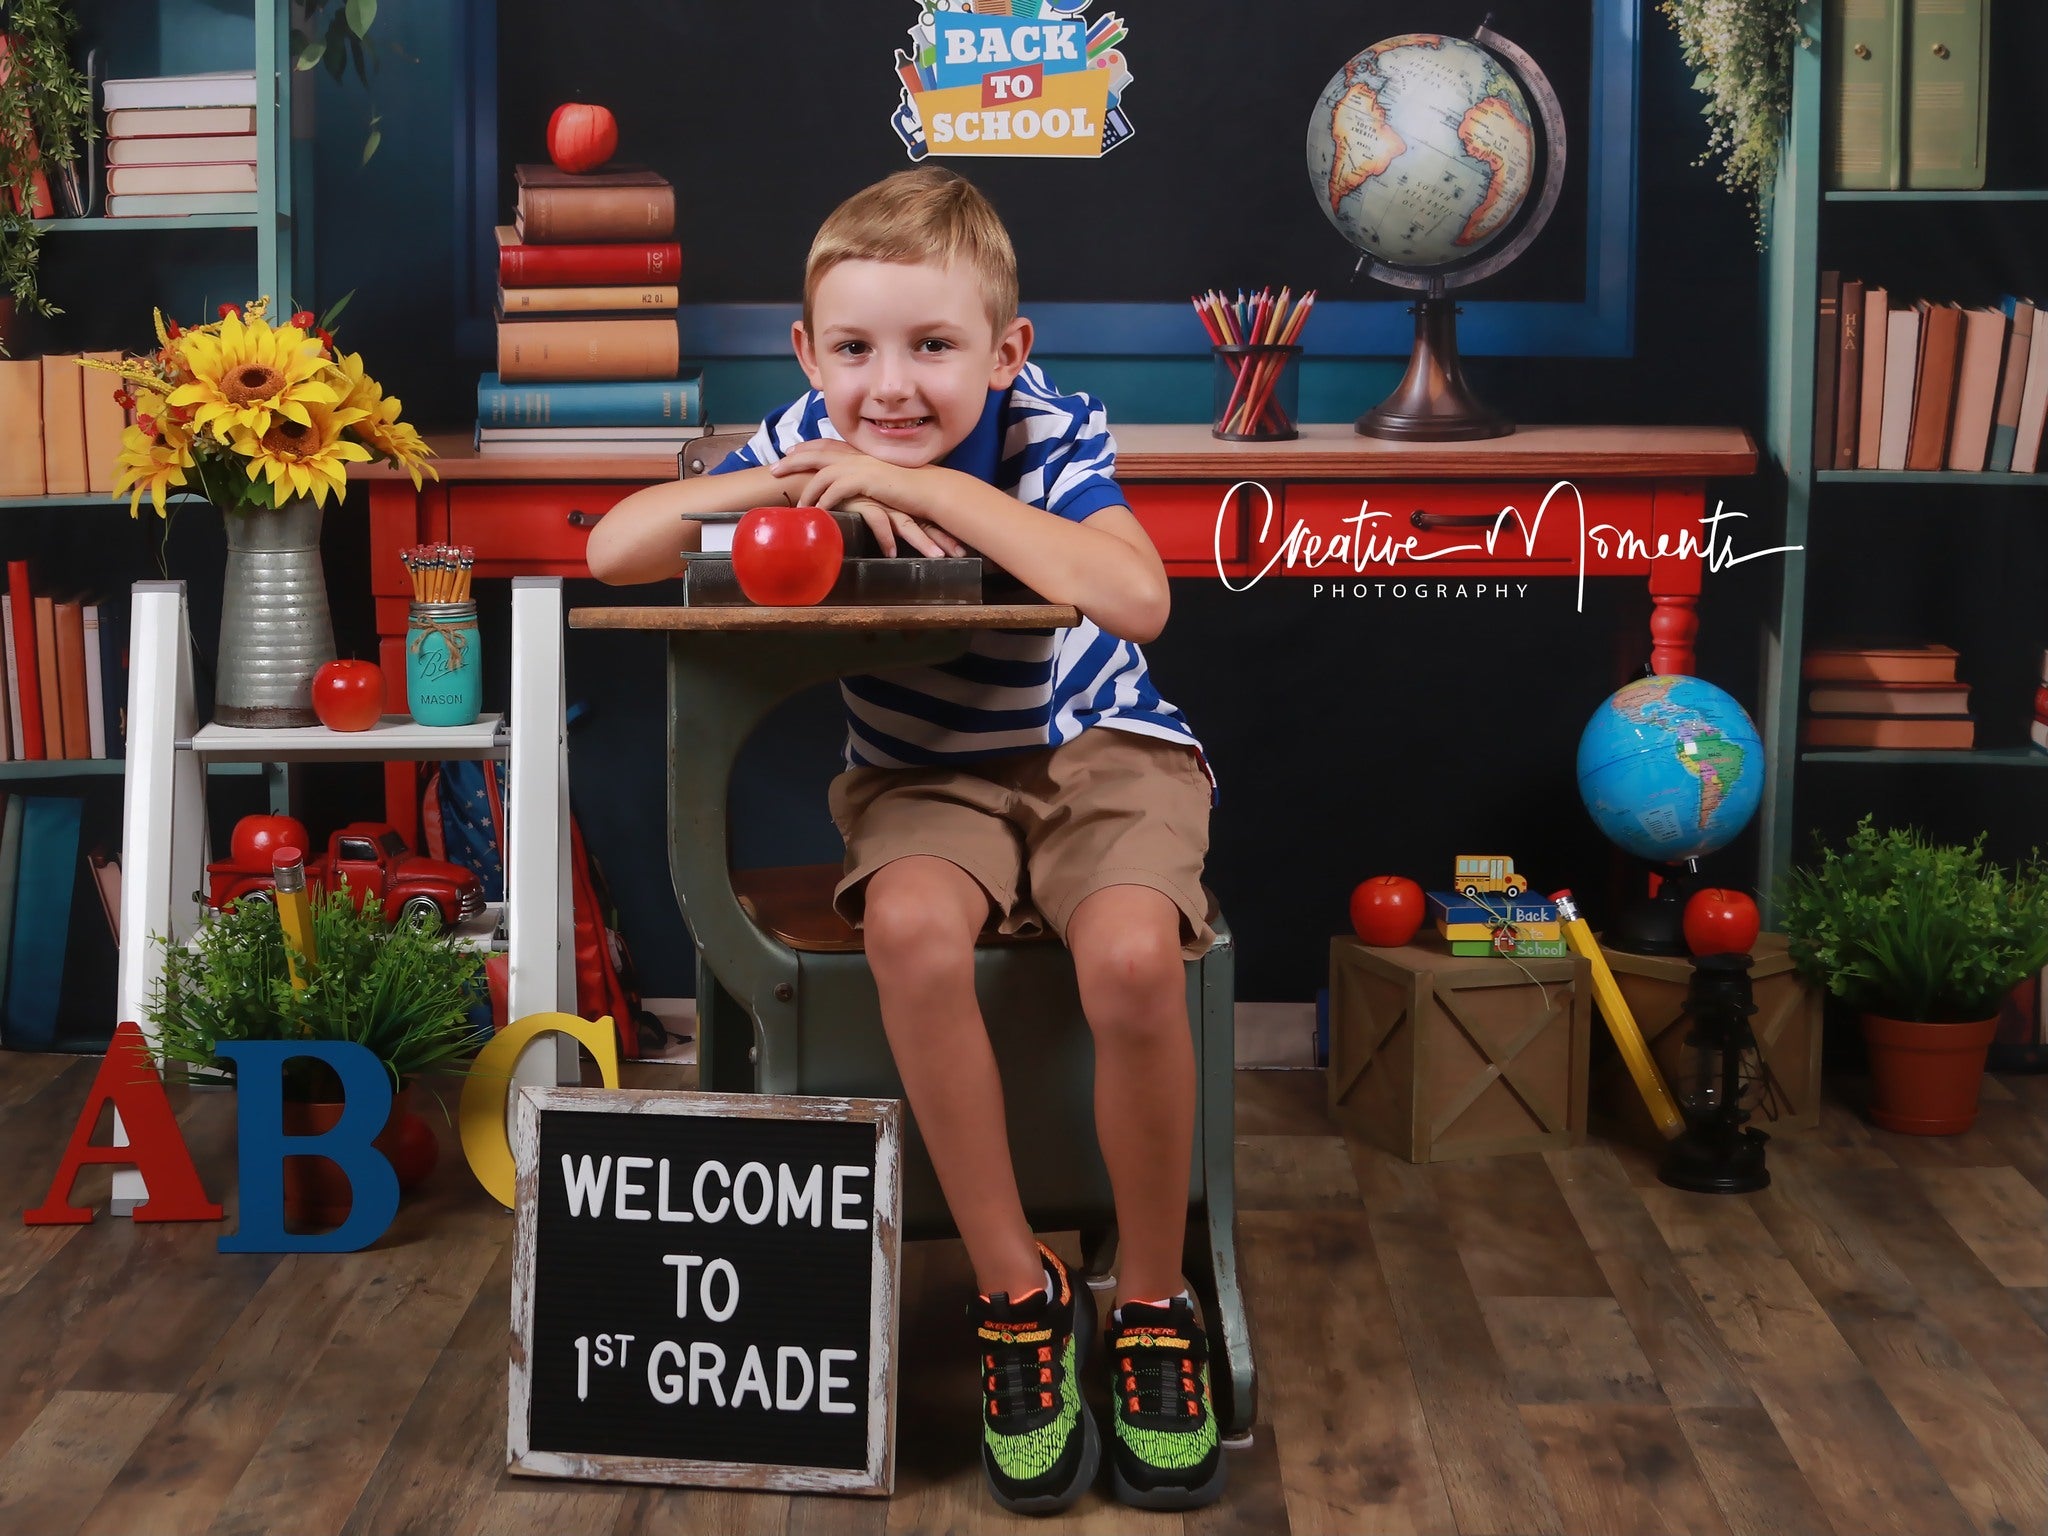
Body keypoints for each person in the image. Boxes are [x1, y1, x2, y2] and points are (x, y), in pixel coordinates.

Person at [586, 166, 1224, 1515]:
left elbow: (1133, 597)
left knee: (1128, 960)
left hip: (1106, 758)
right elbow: (613, 550)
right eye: (857, 351)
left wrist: (912, 486)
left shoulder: (1050, 430)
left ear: (1006, 354)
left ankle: (1154, 1300)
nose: (892, 384)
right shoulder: (805, 435)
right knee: (911, 933)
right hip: (925, 780)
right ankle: (1017, 1288)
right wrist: (760, 479)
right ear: (808, 355)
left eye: (935, 348)